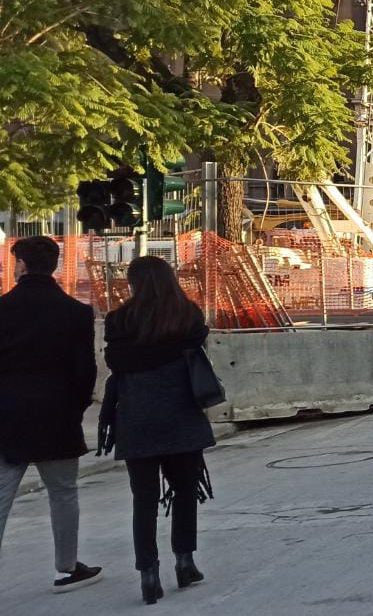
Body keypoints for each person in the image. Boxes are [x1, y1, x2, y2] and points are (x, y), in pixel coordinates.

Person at [98, 256, 217, 605]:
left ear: (133, 283)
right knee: (184, 492)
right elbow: (198, 349)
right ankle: (185, 561)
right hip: (181, 415)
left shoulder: (119, 320)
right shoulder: (188, 315)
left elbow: (115, 363)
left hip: (137, 418)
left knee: (144, 500)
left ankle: (148, 573)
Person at [0, 237, 103, 593]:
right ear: (55, 265)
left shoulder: (3, 309)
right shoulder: (76, 312)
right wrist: (73, 408)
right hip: (57, 416)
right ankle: (68, 566)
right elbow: (85, 371)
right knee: (62, 493)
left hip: (7, 417)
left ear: (22, 266)